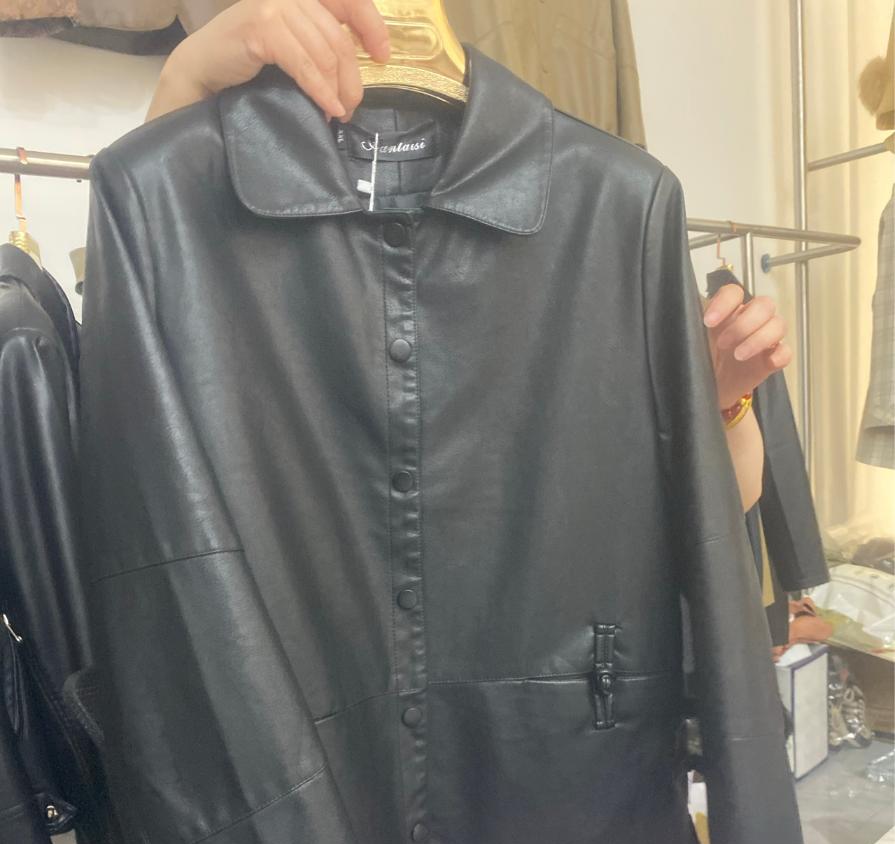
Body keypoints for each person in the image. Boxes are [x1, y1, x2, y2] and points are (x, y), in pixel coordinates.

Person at [146, 0, 792, 513]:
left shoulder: (604, 212)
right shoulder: (222, 196)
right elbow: (137, 441)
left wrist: (717, 404)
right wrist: (184, 78)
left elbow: (718, 508)